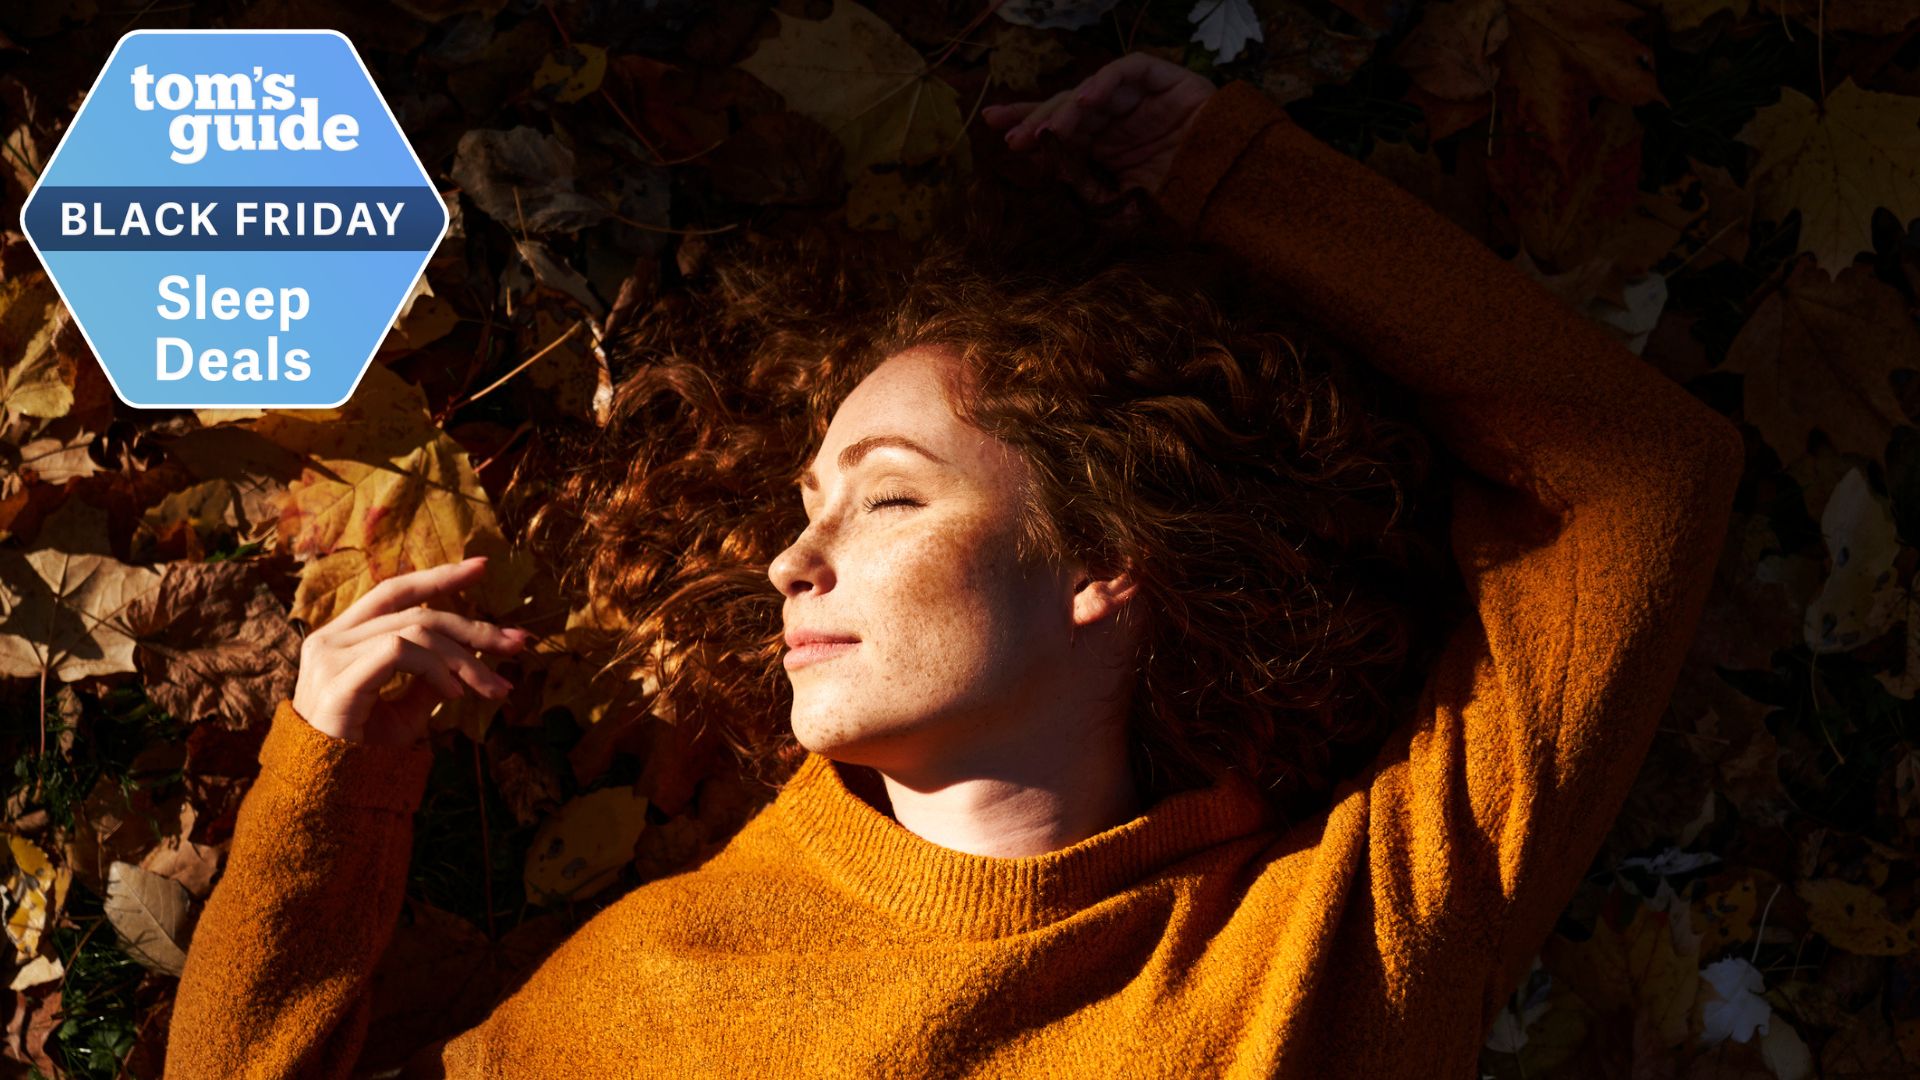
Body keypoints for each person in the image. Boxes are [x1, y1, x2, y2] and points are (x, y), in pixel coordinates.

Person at [165, 52, 1744, 1078]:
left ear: (1105, 560)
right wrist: (330, 786)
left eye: (890, 499)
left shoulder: (1326, 947)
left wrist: (1233, 178)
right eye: (808, 502)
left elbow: (1638, 485)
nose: (794, 557)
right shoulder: (651, 992)